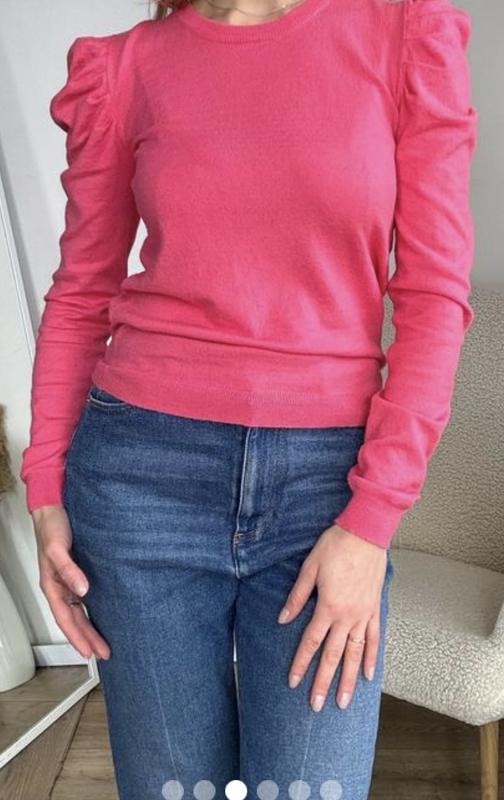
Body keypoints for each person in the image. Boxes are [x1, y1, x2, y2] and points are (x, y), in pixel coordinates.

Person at [20, 0, 478, 797]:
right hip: (139, 481)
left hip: (326, 492)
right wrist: (45, 488)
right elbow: (81, 294)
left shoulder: (404, 35)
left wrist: (371, 522)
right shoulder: (125, 68)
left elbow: (435, 295)